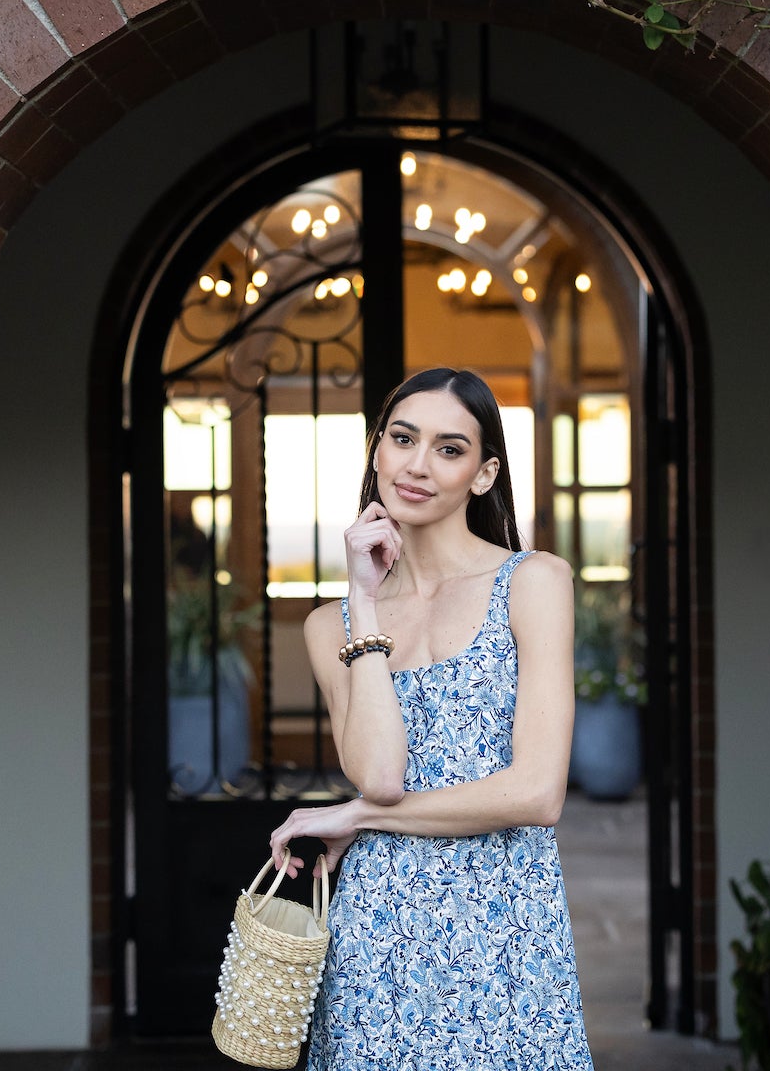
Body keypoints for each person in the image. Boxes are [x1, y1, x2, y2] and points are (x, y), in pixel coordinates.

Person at [267, 367, 594, 1069]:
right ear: (376, 449)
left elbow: (536, 793)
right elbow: (380, 774)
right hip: (377, 936)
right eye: (403, 439)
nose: (418, 465)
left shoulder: (532, 583)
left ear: (483, 473)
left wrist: (355, 818)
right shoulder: (333, 626)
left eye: (449, 449)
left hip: (506, 927)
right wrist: (362, 596)